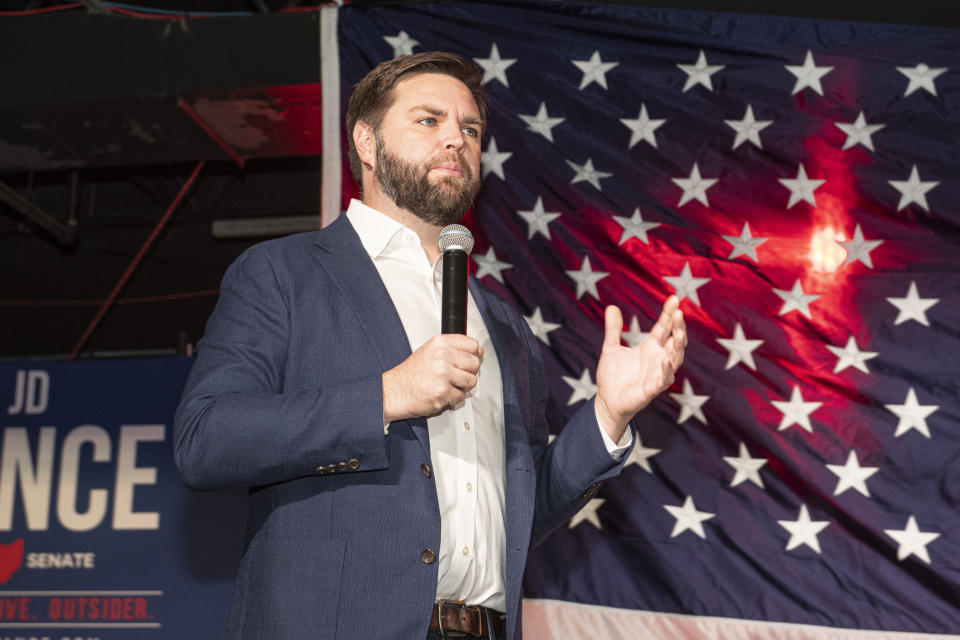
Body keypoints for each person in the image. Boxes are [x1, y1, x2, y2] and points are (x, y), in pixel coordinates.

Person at [173, 51, 686, 640]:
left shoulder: (501, 322)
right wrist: (389, 394)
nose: (456, 140)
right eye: (428, 121)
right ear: (366, 143)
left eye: (470, 129)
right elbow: (205, 440)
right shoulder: (284, 273)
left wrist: (607, 415)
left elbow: (520, 511)